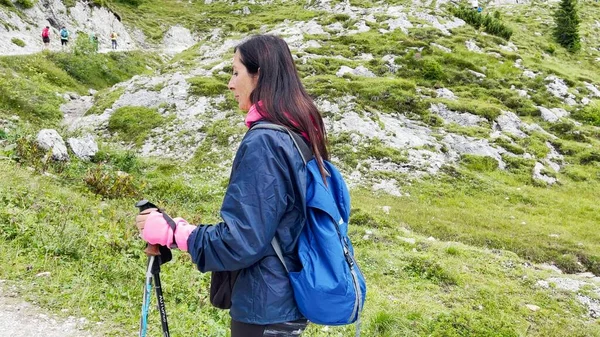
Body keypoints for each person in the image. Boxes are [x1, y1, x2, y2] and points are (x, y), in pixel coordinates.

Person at [135, 34, 330, 337]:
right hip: (285, 299)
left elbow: (241, 240)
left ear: (258, 75)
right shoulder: (297, 134)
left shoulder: (266, 141)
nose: (230, 83)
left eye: (236, 72)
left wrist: (175, 233)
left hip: (263, 307)